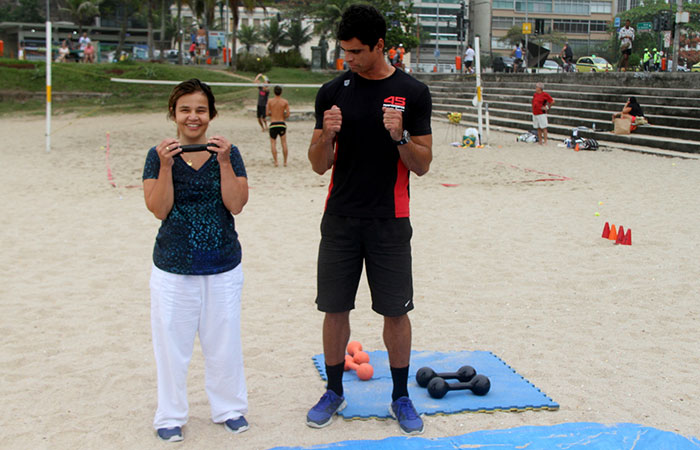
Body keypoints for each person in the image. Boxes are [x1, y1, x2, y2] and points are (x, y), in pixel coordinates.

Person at [306, 4, 433, 436]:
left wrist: (398, 135)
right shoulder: (332, 91)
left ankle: (400, 396)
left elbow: (423, 164)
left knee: (395, 313)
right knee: (334, 308)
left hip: (389, 220)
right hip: (339, 218)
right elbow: (318, 165)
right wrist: (327, 134)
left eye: (357, 51)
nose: (349, 59)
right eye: (344, 51)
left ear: (380, 46)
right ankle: (334, 390)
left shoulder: (412, 92)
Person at [142, 79, 250, 443]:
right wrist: (167, 166)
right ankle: (170, 414)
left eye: (200, 110)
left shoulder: (228, 152)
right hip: (173, 266)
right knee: (171, 346)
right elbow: (159, 209)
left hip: (223, 264)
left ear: (212, 114)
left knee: (224, 342)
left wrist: (222, 162)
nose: (193, 117)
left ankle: (229, 408)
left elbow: (236, 204)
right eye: (185, 109)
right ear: (173, 114)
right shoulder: (157, 156)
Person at [266, 85, 290, 167]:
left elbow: (266, 113)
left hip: (273, 123)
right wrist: (282, 116)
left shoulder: (270, 101)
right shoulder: (285, 102)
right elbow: (288, 114)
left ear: (274, 92)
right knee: (284, 143)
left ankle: (276, 161)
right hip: (281, 123)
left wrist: (272, 114)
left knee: (273, 143)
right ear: (281, 92)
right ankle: (285, 162)